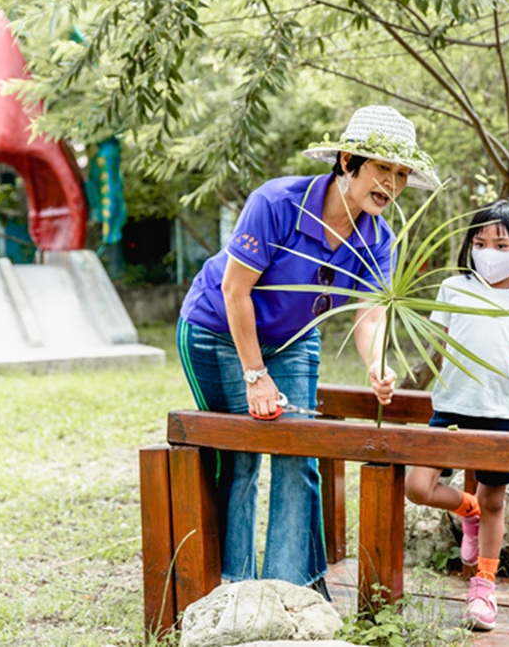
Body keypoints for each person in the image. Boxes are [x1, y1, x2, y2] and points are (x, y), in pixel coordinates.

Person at [176, 105, 440, 597]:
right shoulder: (276, 203)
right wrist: (255, 375)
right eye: (383, 167)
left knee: (300, 453)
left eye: (402, 173)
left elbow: (369, 314)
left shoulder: (378, 238)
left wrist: (377, 364)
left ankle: (290, 591)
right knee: (240, 457)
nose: (393, 183)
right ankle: (232, 590)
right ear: (347, 161)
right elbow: (235, 291)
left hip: (294, 339)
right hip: (219, 329)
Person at [403, 200, 509, 631]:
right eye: (479, 243)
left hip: (500, 412)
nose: (488, 252)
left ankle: (484, 585)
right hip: (450, 407)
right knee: (417, 486)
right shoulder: (453, 287)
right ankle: (469, 511)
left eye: (501, 244)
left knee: (496, 500)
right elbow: (446, 343)